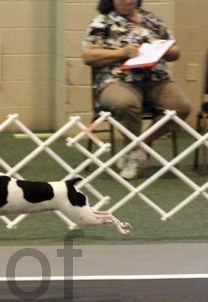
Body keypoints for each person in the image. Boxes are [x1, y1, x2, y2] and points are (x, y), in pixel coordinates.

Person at [82, 0, 191, 180]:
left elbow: (175, 51)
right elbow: (88, 56)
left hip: (156, 79)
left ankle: (137, 148)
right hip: (117, 79)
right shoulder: (101, 22)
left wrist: (160, 50)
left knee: (181, 107)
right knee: (126, 104)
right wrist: (122, 53)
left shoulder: (152, 20)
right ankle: (136, 152)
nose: (128, 1)